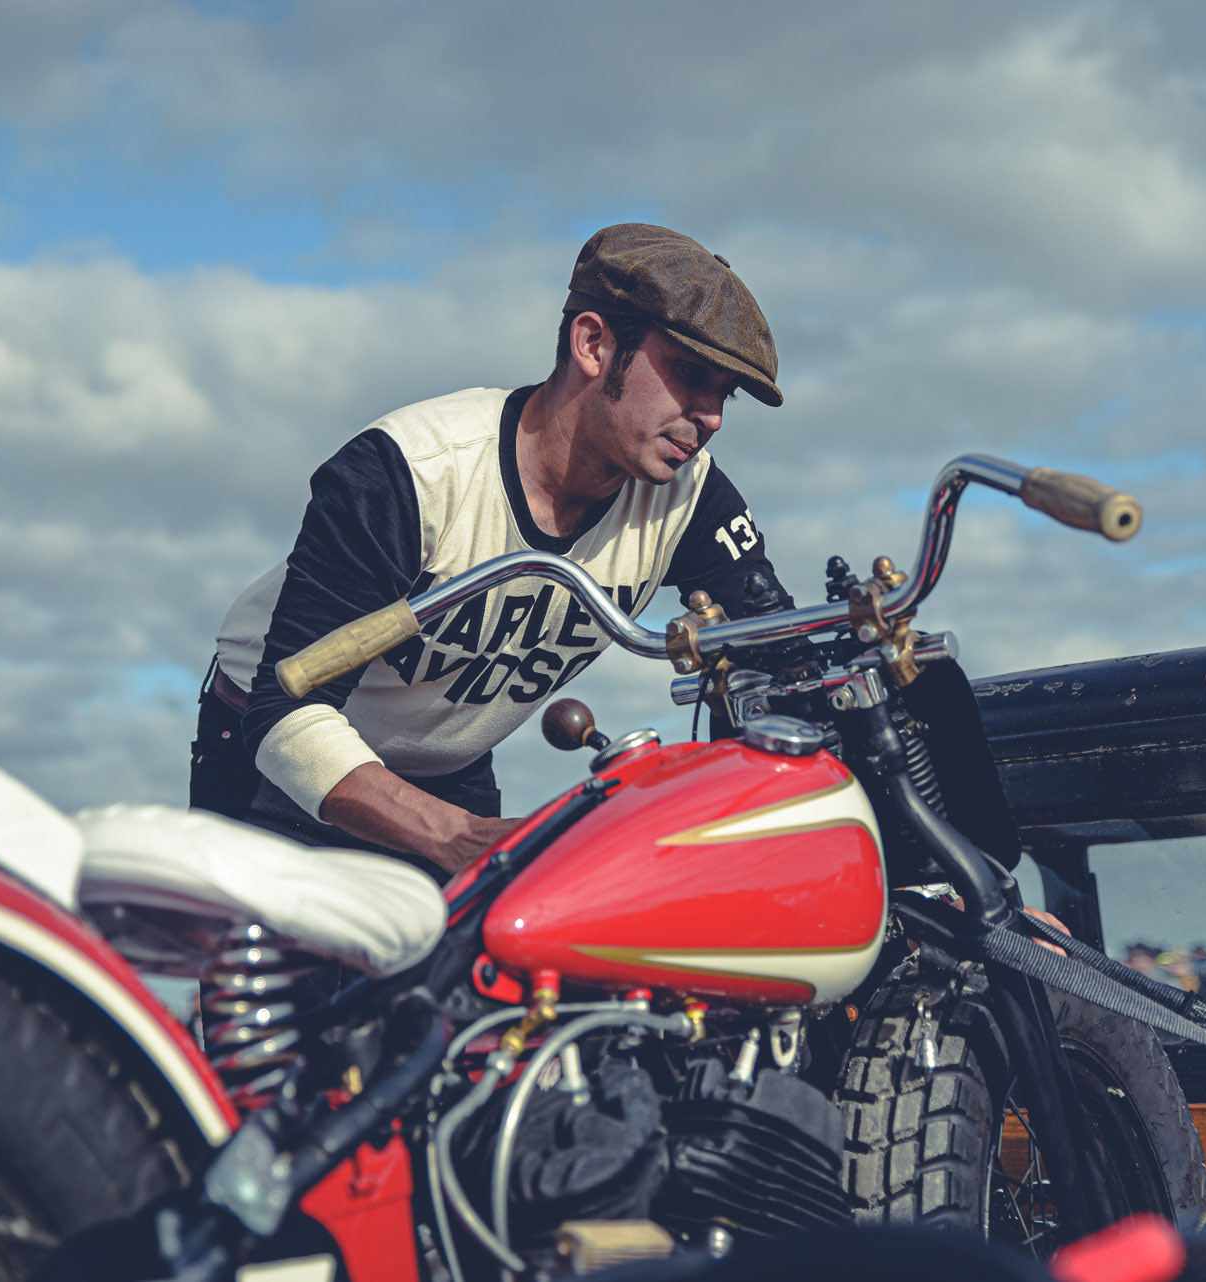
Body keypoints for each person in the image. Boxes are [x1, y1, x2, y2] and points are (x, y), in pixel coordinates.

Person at [191, 224, 793, 878]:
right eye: (689, 374)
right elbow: (287, 713)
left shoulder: (691, 499)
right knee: (278, 948)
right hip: (271, 759)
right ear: (593, 344)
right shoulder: (412, 471)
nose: (711, 417)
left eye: (724, 393)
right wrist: (458, 836)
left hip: (447, 771)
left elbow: (778, 655)